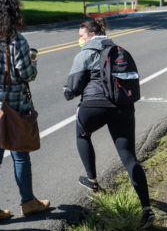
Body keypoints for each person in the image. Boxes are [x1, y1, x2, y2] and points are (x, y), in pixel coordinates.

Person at [63, 17, 155, 229]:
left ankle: (92, 180)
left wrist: (66, 91)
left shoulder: (85, 53)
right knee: (129, 156)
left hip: (94, 105)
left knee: (82, 133)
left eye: (81, 36)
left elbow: (72, 89)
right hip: (122, 105)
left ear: (92, 35)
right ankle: (146, 209)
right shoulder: (119, 49)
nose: (79, 41)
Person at [0, 0, 50, 221]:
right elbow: (26, 74)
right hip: (14, 106)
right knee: (20, 155)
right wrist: (33, 62)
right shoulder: (16, 40)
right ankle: (28, 202)